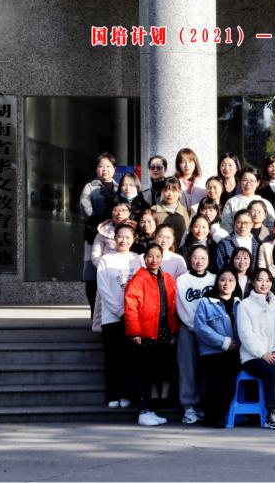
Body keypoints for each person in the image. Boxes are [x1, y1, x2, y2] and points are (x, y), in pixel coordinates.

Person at [123, 243, 178, 426]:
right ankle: (144, 411)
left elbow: (172, 307)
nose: (154, 260)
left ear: (162, 258)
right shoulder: (139, 279)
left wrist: (174, 330)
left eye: (158, 256)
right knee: (144, 373)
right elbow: (130, 307)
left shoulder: (167, 278)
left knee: (158, 371)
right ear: (144, 258)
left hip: (164, 332)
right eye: (150, 256)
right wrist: (135, 332)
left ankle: (151, 410)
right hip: (145, 333)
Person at [236, 267, 275, 429]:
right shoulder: (245, 305)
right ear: (253, 282)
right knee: (271, 371)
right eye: (260, 280)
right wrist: (263, 354)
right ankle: (271, 412)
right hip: (252, 357)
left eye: (268, 280)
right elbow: (245, 334)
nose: (264, 284)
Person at [96, 223, 142, 410]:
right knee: (113, 358)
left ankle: (126, 394)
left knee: (130, 359)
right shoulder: (106, 260)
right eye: (120, 236)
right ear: (114, 239)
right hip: (111, 317)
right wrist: (119, 311)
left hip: (133, 317)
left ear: (134, 239)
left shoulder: (138, 259)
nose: (123, 240)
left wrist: (130, 312)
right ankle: (113, 395)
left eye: (127, 237)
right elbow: (103, 288)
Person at [193, 268, 241, 428]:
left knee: (228, 381)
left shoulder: (239, 304)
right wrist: (223, 342)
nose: (226, 283)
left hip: (233, 353)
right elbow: (200, 328)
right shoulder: (206, 302)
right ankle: (212, 417)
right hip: (211, 352)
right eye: (222, 280)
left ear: (236, 283)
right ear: (217, 282)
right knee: (214, 381)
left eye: (231, 280)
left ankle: (218, 416)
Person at [174, 245, 216, 425]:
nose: (199, 262)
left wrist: (208, 329)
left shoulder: (214, 279)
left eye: (203, 258)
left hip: (211, 331)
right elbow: (182, 306)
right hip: (189, 329)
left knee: (206, 369)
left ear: (208, 260)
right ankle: (189, 407)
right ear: (190, 259)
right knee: (187, 368)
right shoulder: (183, 280)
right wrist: (197, 327)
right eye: (195, 258)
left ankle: (204, 405)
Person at [81, 152, 119, 316]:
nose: (105, 169)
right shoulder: (90, 187)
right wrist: (101, 225)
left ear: (114, 169)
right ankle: (93, 313)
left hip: (115, 238)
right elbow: (85, 209)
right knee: (92, 275)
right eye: (101, 166)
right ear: (96, 169)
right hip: (93, 235)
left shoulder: (119, 188)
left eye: (108, 166)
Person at [221, 168, 275, 233]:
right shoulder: (231, 202)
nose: (248, 184)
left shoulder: (266, 203)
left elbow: (271, 225)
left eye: (252, 181)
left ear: (258, 183)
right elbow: (226, 226)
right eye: (245, 180)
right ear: (239, 182)